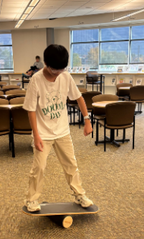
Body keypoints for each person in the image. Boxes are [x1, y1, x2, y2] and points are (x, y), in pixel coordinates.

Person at [22, 43, 94, 214]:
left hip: (62, 131)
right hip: (43, 133)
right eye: (55, 70)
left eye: (62, 69)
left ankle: (79, 195)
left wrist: (87, 120)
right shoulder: (36, 80)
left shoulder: (66, 76)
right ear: (46, 64)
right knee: (39, 167)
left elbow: (79, 98)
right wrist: (36, 136)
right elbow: (31, 110)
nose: (58, 73)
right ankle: (31, 199)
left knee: (71, 165)